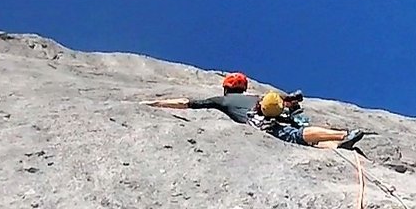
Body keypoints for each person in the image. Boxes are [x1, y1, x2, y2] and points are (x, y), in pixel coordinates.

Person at [143, 73, 366, 150]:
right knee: (297, 134)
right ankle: (339, 139)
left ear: (226, 88)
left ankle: (340, 140)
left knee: (294, 136)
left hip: (260, 127)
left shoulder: (221, 100)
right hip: (274, 121)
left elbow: (187, 103)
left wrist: (156, 103)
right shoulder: (255, 97)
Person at [254, 90, 366, 150]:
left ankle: (338, 146)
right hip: (274, 129)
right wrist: (293, 111)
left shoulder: (264, 110)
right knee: (297, 134)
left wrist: (292, 107)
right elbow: (301, 125)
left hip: (270, 124)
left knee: (308, 137)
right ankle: (343, 135)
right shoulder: (270, 123)